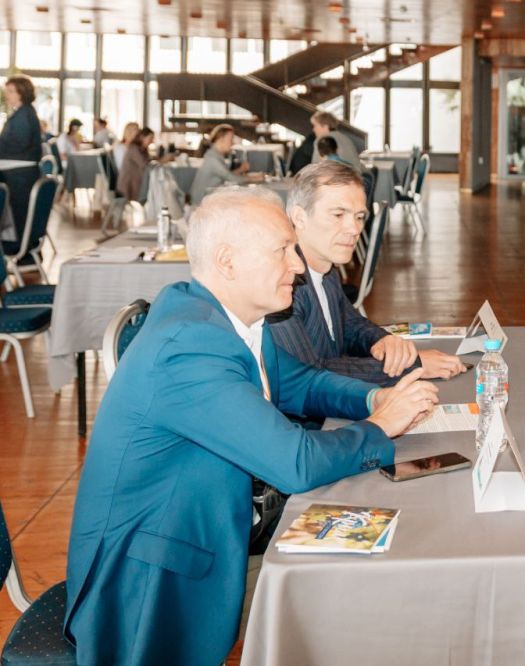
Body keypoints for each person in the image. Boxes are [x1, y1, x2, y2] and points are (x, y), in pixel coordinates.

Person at [64, 187, 439, 665]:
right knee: (360, 598)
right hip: (151, 587)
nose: (298, 266)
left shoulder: (224, 318)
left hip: (216, 531)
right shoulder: (190, 346)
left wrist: (373, 398)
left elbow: (301, 382)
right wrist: (381, 425)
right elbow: (295, 463)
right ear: (227, 261)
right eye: (282, 250)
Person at [268, 161, 467, 386]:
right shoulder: (281, 287)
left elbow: (349, 323)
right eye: (338, 215)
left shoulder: (327, 268)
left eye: (359, 217)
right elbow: (306, 375)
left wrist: (383, 341)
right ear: (299, 217)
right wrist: (413, 366)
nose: (354, 229)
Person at [189, 124, 263, 204]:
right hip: (200, 203)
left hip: (207, 199)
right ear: (221, 139)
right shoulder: (212, 159)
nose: (232, 143)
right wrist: (255, 179)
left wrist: (241, 170)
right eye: (230, 140)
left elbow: (225, 176)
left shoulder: (215, 155)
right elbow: (231, 177)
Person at [0, 75, 43, 162]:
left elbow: (17, 146)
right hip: (17, 162)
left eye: (10, 91)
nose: (6, 94)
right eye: (6, 91)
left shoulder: (23, 115)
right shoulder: (26, 111)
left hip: (18, 165)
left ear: (22, 93)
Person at [115, 127, 154, 202]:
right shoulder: (134, 148)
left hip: (136, 183)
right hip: (128, 185)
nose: (152, 141)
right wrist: (162, 160)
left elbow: (149, 162)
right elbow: (145, 165)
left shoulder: (143, 149)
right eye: (150, 138)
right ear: (142, 137)